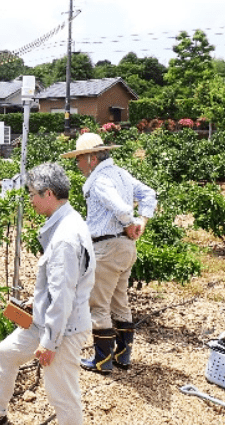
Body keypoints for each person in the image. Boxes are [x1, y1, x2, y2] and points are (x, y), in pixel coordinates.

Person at [0, 162, 95, 425]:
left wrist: (49, 343)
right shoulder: (66, 222)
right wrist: (38, 303)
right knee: (7, 353)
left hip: (61, 329)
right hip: (46, 320)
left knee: (63, 395)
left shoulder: (65, 239)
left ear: (49, 194)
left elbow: (63, 296)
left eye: (33, 193)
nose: (30, 200)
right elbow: (59, 288)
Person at [60, 132, 157, 375]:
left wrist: (130, 222)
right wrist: (142, 221)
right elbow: (148, 194)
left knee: (98, 304)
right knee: (119, 299)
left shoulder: (99, 179)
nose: (78, 164)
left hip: (106, 247)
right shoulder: (121, 174)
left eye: (79, 159)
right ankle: (123, 356)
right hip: (126, 248)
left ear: (91, 158)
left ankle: (103, 361)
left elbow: (121, 208)